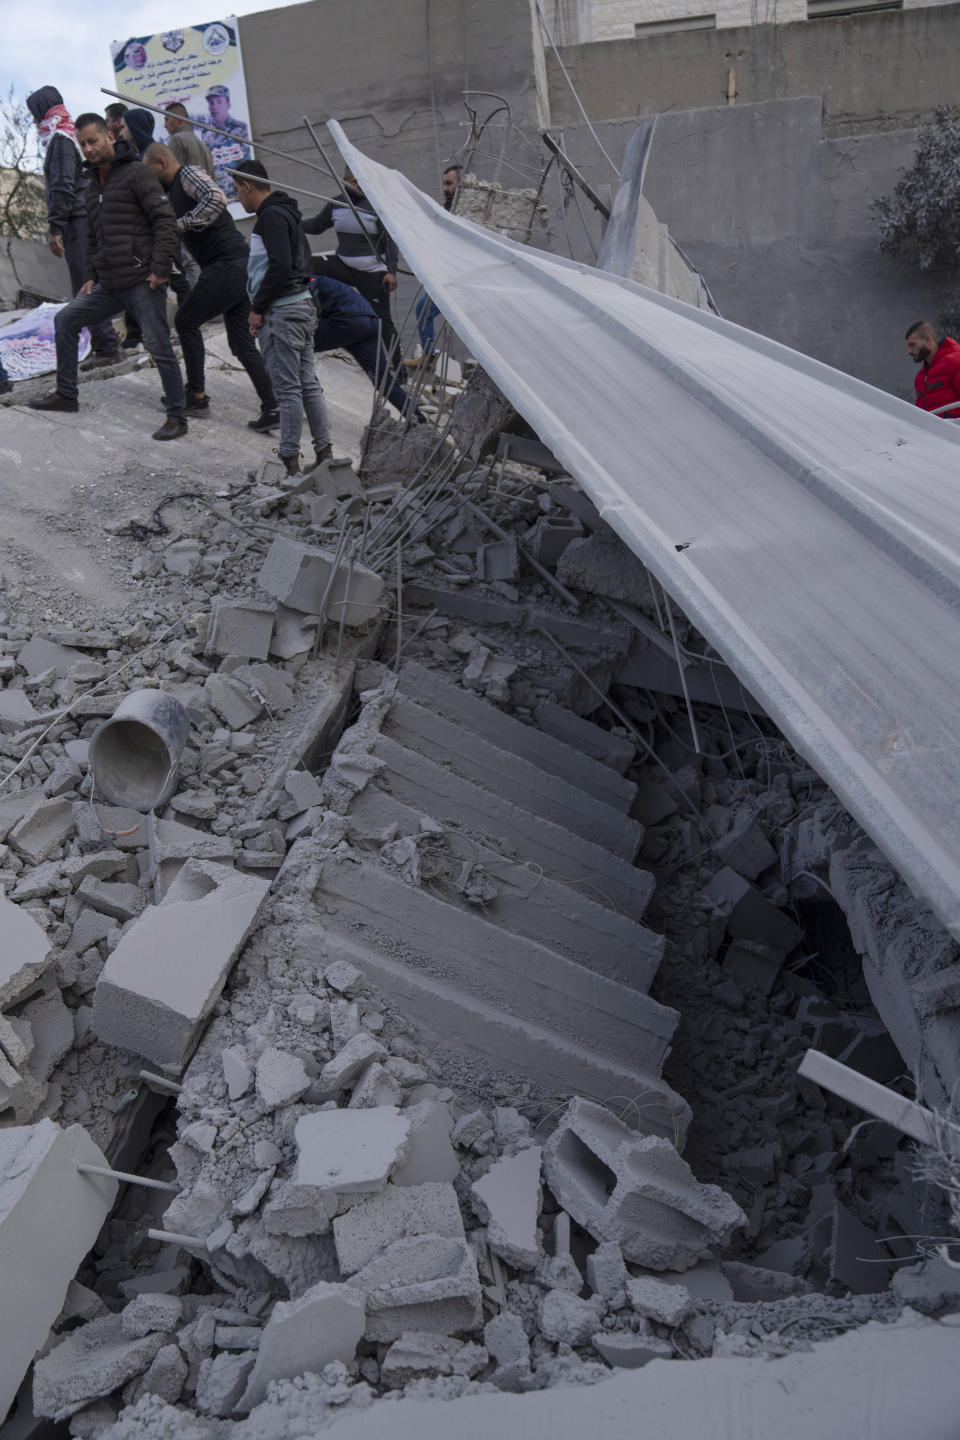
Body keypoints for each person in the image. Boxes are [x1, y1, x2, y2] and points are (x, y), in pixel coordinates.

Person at [28, 113, 187, 441]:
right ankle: (66, 395)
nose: (88, 148)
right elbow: (93, 238)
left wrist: (159, 268)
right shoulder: (91, 184)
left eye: (93, 141)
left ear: (109, 138)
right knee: (67, 320)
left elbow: (165, 221)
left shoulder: (137, 173)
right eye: (83, 143)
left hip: (143, 281)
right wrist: (89, 275)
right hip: (109, 285)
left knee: (158, 346)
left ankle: (177, 416)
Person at [145, 143, 277, 427]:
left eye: (150, 170)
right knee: (242, 345)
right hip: (238, 268)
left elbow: (216, 197)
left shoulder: (187, 174)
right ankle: (274, 407)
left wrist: (183, 223)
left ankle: (196, 395)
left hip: (227, 265)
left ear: (162, 162)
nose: (149, 177)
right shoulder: (171, 193)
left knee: (186, 321)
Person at [235, 161, 332, 476]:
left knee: (288, 390)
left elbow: (279, 266)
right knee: (308, 386)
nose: (238, 198)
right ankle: (325, 453)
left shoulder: (271, 218)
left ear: (248, 186)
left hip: (282, 311)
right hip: (301, 307)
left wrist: (258, 307)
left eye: (237, 190)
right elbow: (301, 264)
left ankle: (289, 462)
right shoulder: (288, 214)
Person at [26, 86, 120, 367]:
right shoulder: (71, 135)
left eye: (34, 114)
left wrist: (55, 228)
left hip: (76, 221)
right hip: (85, 216)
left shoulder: (59, 139)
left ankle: (107, 348)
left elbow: (62, 185)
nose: (33, 121)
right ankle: (107, 345)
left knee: (86, 286)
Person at [303, 170, 399, 363]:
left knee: (382, 319)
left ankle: (398, 368)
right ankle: (313, 318)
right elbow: (317, 226)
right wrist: (292, 222)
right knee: (307, 267)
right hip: (343, 264)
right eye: (354, 181)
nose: (358, 185)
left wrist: (391, 270)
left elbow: (390, 239)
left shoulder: (375, 206)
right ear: (345, 181)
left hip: (372, 271)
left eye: (360, 180)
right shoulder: (336, 204)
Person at [311, 274, 422, 420]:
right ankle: (419, 419)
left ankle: (313, 401)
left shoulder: (305, 282)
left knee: (297, 347)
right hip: (370, 323)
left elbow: (306, 307)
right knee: (383, 381)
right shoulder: (325, 281)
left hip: (347, 322)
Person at [412, 164, 461, 362]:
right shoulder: (447, 211)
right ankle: (429, 355)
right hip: (448, 274)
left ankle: (428, 355)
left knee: (424, 310)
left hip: (463, 277)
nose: (445, 189)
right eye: (444, 184)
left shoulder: (469, 212)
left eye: (450, 184)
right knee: (423, 309)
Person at [201, 85, 251, 200]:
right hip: (218, 196)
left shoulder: (240, 128)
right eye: (211, 103)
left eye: (219, 102)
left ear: (228, 105)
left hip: (240, 192)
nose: (215, 107)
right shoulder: (206, 133)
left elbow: (246, 163)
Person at [906, 321, 960, 417]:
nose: (909, 351)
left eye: (912, 345)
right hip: (929, 431)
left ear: (928, 341)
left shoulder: (955, 362)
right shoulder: (920, 378)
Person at [162, 102, 215, 176]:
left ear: (179, 119)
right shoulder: (203, 145)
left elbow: (175, 175)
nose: (165, 125)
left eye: (167, 120)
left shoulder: (177, 139)